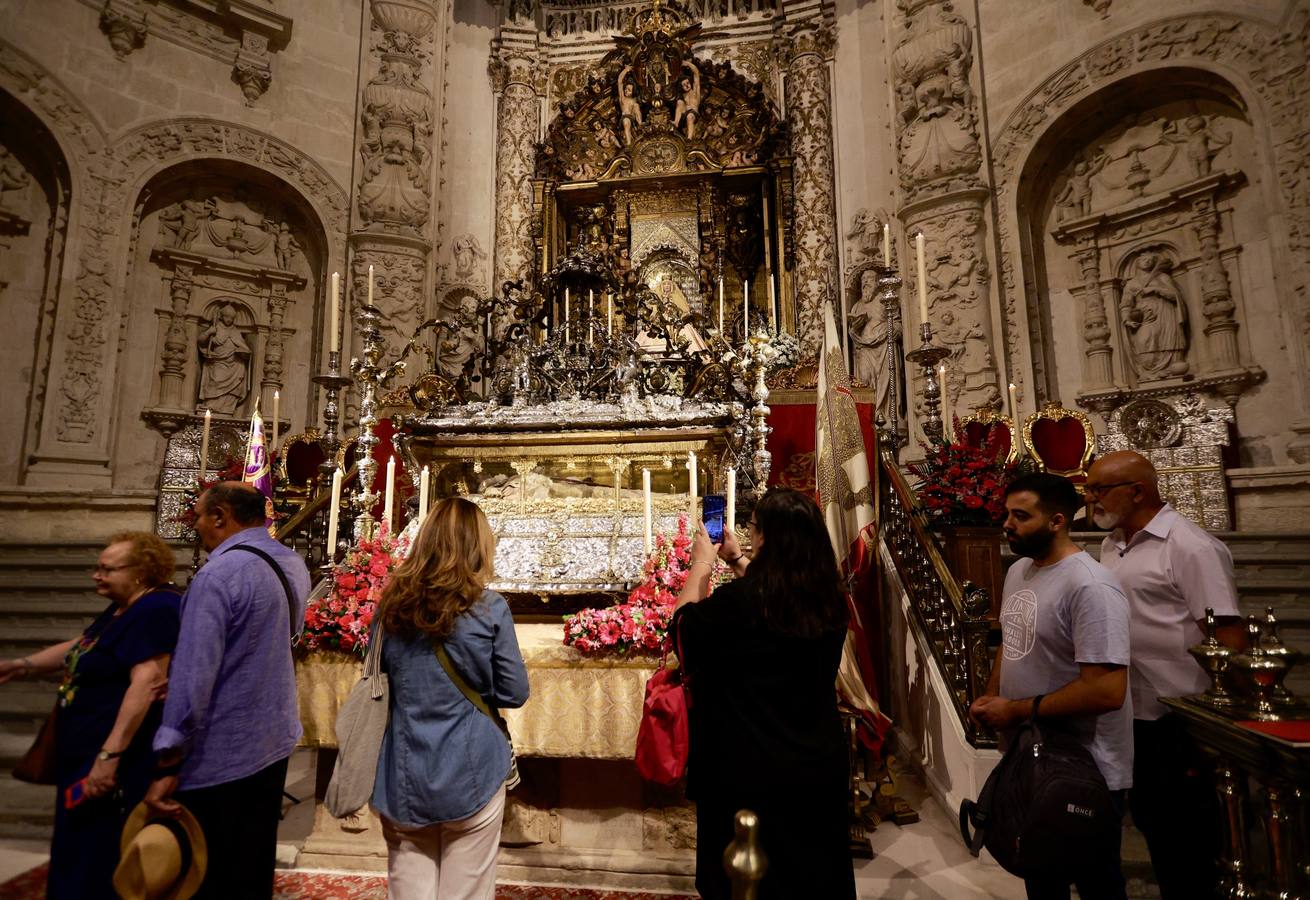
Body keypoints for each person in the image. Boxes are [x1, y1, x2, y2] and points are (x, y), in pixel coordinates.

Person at [674, 487, 855, 900]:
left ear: (766, 537)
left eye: (753, 527)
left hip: (749, 766)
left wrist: (702, 564)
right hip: (814, 763)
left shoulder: (738, 604)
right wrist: (737, 559)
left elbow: (682, 631)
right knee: (811, 875)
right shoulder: (830, 599)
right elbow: (776, 603)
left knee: (752, 881)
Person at [1087, 450, 1244, 900]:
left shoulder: (1190, 546)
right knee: (1155, 826)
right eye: (1089, 489)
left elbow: (1227, 635)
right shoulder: (1111, 544)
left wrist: (1221, 725)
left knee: (1189, 845)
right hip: (1132, 712)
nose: (1090, 499)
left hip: (1182, 718)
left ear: (1137, 491)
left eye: (1100, 489)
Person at [969, 473, 1132, 900]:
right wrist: (992, 696)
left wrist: (1015, 710)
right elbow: (1013, 641)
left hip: (1085, 767)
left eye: (1021, 516)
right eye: (1007, 514)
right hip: (1031, 757)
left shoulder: (1091, 585)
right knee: (1040, 879)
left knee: (1098, 885)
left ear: (1058, 521)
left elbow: (1106, 690)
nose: (1007, 525)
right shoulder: (1019, 570)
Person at [144, 481, 310, 899]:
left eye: (199, 515)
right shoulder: (291, 563)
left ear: (221, 516)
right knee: (252, 862)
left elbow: (195, 671)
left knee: (208, 873)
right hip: (272, 738)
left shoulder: (218, 575)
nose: (195, 525)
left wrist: (169, 753)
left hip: (221, 748)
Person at [0, 531, 181, 899]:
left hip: (113, 758)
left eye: (107, 569)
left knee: (94, 856)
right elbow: (84, 645)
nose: (96, 576)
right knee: (74, 849)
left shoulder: (156, 609)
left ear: (141, 571)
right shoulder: (125, 607)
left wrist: (109, 756)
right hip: (84, 751)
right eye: (97, 568)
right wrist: (23, 665)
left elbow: (146, 682)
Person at [372, 497, 529, 900]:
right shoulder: (489, 608)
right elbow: (514, 692)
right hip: (471, 769)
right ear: (480, 546)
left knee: (409, 890)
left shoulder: (390, 606)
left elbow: (375, 681)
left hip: (403, 770)